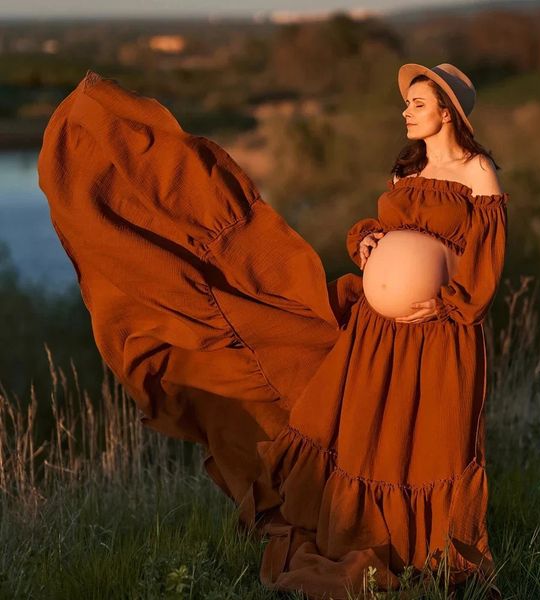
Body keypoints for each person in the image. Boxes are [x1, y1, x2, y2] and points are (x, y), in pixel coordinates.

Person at [37, 62, 507, 599]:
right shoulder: (407, 172)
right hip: (378, 334)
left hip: (438, 334)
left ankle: (429, 549)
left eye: (417, 105)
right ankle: (365, 531)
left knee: (426, 440)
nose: (406, 112)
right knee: (372, 437)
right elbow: (389, 229)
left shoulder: (479, 174)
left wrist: (447, 305)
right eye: (407, 104)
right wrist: (371, 244)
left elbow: (486, 262)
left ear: (447, 112)